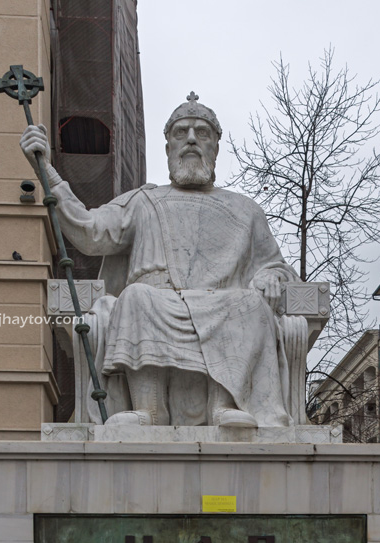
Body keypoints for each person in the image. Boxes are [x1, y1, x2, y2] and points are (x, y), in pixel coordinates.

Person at [20, 94, 300, 429]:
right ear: (168, 148)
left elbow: (276, 266)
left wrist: (271, 276)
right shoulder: (143, 200)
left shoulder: (245, 209)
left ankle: (225, 405)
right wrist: (46, 170)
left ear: (215, 148)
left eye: (202, 133)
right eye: (181, 133)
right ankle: (148, 410)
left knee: (249, 303)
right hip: (156, 303)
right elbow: (89, 231)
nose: (192, 139)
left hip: (223, 303)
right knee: (135, 297)